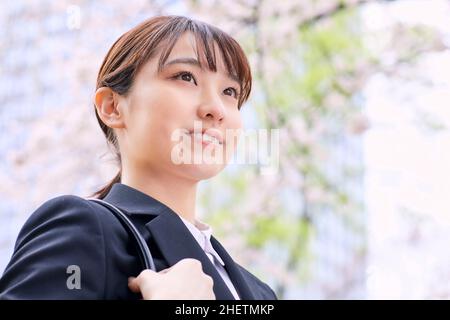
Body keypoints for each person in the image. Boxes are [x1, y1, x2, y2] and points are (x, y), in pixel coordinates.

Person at [0, 15, 277, 300]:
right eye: (185, 77)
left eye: (230, 92)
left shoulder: (260, 293)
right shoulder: (85, 230)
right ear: (112, 107)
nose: (216, 108)